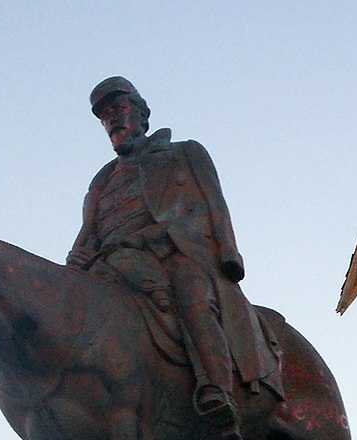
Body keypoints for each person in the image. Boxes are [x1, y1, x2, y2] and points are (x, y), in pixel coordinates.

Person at [66, 76, 280, 439]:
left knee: (189, 288)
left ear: (141, 114)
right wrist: (74, 262)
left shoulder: (183, 153)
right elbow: (89, 231)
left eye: (118, 109)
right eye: (104, 116)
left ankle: (217, 389)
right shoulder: (101, 182)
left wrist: (227, 250)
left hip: (174, 251)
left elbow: (210, 204)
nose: (111, 119)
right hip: (110, 264)